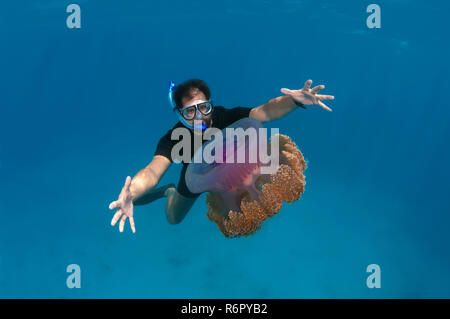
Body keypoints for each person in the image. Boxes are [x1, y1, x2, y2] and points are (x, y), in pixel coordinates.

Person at [108, 79, 334, 233]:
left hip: (233, 169)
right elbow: (152, 171)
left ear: (211, 104)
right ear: (180, 114)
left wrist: (293, 101)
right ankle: (170, 192)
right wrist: (132, 191)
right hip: (195, 178)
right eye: (190, 112)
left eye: (204, 108)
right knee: (173, 219)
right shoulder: (174, 138)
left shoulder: (226, 117)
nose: (199, 117)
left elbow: (264, 111)